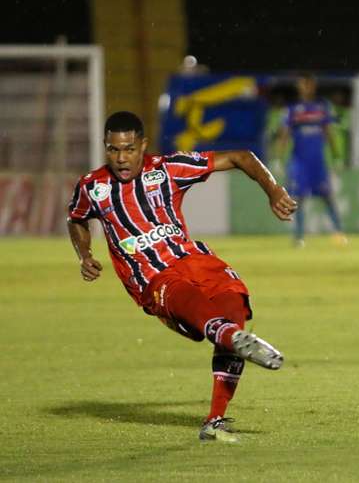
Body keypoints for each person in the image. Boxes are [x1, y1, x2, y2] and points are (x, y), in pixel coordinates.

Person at [67, 111, 298, 443]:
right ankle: (227, 335)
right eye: (113, 150)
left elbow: (240, 156)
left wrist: (273, 190)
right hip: (151, 277)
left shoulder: (166, 168)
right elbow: (77, 218)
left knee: (233, 306)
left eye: (129, 149)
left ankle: (215, 420)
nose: (121, 158)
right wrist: (84, 254)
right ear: (106, 149)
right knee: (187, 301)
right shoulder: (92, 186)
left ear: (143, 146)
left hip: (193, 259)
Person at [276, 74, 347, 247]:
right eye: (303, 83)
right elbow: (284, 135)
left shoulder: (322, 107)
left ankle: (339, 233)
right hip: (299, 162)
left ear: (313, 86)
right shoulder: (292, 109)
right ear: (299, 86)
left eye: (309, 83)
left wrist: (337, 156)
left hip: (318, 162)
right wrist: (278, 158)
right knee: (297, 199)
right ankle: (299, 237)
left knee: (327, 197)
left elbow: (329, 132)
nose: (307, 87)